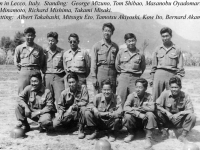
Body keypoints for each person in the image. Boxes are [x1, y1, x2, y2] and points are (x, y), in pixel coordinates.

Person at [156, 76, 196, 142]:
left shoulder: (185, 96)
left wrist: (179, 114)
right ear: (169, 87)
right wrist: (167, 112)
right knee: (156, 112)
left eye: (176, 87)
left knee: (192, 116)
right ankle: (163, 131)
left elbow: (190, 110)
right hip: (166, 120)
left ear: (180, 87)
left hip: (178, 121)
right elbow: (157, 106)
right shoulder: (165, 94)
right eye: (172, 87)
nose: (174, 89)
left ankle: (183, 136)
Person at [150, 27, 185, 101]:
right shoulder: (157, 49)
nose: (165, 38)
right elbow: (153, 66)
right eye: (163, 36)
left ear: (171, 36)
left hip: (172, 75)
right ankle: (155, 111)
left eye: (167, 36)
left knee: (172, 96)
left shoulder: (177, 49)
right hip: (159, 75)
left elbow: (180, 66)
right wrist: (152, 79)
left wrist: (178, 78)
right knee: (156, 96)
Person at [52, 72, 89, 139]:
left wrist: (73, 106)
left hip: (79, 112)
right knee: (55, 124)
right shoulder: (64, 93)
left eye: (73, 82)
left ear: (77, 81)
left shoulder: (83, 88)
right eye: (69, 82)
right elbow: (60, 105)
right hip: (69, 114)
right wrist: (60, 113)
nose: (71, 84)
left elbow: (84, 102)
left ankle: (81, 129)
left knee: (83, 109)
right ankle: (72, 127)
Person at [123, 78, 156, 149]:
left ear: (145, 88)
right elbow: (125, 107)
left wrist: (142, 109)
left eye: (140, 87)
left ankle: (148, 138)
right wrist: (138, 113)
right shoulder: (131, 96)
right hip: (135, 120)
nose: (138, 89)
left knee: (150, 114)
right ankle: (131, 133)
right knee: (127, 115)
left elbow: (152, 108)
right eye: (136, 87)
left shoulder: (149, 97)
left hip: (144, 121)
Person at [115, 33, 146, 106]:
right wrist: (121, 75)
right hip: (123, 78)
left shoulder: (140, 53)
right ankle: (120, 115)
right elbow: (117, 65)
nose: (131, 43)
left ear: (136, 41)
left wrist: (136, 75)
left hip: (135, 79)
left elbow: (143, 67)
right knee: (120, 98)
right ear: (125, 42)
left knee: (135, 99)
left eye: (133, 41)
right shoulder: (121, 52)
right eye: (129, 41)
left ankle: (132, 115)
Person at [14, 27, 45, 94]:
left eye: (31, 35)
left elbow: (42, 61)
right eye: (28, 35)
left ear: (34, 36)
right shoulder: (19, 48)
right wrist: (22, 69)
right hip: (24, 72)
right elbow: (16, 61)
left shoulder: (39, 48)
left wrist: (37, 69)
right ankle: (22, 104)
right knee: (22, 91)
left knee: (36, 92)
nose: (30, 37)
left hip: (35, 72)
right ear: (25, 36)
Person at [91, 23, 119, 94]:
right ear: (102, 31)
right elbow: (93, 63)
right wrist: (94, 77)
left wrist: (117, 76)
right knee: (99, 94)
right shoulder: (96, 46)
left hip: (112, 73)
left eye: (109, 31)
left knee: (112, 94)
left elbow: (118, 63)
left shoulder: (115, 46)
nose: (107, 33)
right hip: (101, 72)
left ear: (112, 33)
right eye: (105, 30)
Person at [43, 32, 65, 108]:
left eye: (52, 40)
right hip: (47, 78)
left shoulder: (62, 52)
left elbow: (65, 66)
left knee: (60, 98)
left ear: (56, 41)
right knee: (48, 98)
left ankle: (60, 117)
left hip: (58, 77)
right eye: (49, 40)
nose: (50, 42)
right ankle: (50, 117)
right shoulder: (44, 52)